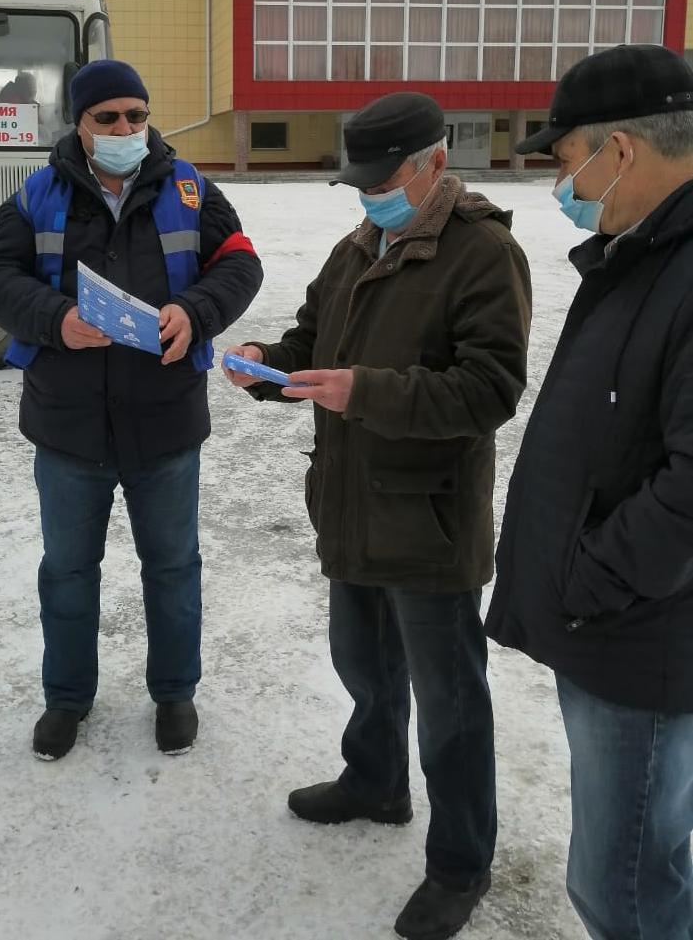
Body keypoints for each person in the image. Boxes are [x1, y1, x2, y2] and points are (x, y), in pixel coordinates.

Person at [223, 92, 531, 940]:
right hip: (351, 504)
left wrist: (368, 392)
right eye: (357, 180)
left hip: (427, 518)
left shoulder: (482, 253)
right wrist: (264, 364)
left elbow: (490, 389)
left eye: (382, 178)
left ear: (434, 160)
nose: (367, 196)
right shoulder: (356, 245)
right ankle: (374, 781)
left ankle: (460, 861)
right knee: (362, 663)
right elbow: (312, 340)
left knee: (450, 701)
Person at [0, 59, 263, 761]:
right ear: (80, 123)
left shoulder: (190, 190)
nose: (126, 128)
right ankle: (66, 700)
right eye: (108, 118)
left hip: (165, 424)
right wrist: (54, 317)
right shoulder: (39, 195)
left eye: (136, 114)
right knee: (68, 572)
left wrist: (195, 311)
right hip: (67, 428)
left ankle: (174, 692)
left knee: (172, 569)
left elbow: (241, 263)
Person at [485, 43, 693, 940]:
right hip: (618, 623)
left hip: (638, 637)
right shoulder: (640, 249)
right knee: (633, 865)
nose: (558, 182)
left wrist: (591, 578)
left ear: (620, 150)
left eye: (565, 159)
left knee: (624, 884)